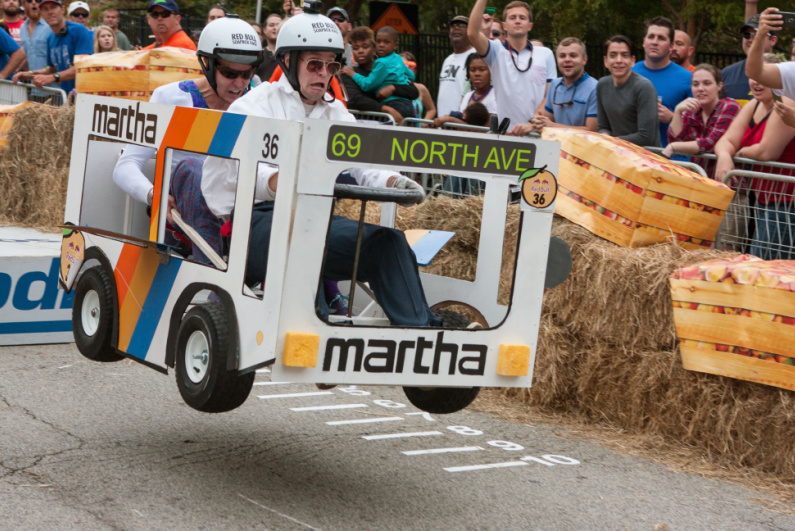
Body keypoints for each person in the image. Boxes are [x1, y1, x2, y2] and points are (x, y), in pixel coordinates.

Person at [201, 12, 438, 327]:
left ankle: (423, 340)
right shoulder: (251, 106)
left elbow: (365, 167)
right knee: (302, 232)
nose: (324, 73)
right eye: (314, 64)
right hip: (252, 224)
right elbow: (226, 178)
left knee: (389, 243)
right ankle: (312, 333)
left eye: (332, 65)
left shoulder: (336, 113)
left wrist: (396, 181)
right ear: (287, 60)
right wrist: (276, 181)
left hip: (312, 221)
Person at [113, 17, 263, 265]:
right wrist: (154, 195)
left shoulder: (258, 101)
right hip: (182, 217)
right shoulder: (170, 97)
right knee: (194, 168)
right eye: (229, 73)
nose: (239, 84)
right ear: (207, 64)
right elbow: (125, 165)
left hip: (240, 211)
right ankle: (210, 268)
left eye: (246, 74)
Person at [714, 53, 795, 260]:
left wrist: (739, 153)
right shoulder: (754, 104)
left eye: (762, 76)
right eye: (753, 76)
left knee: (763, 264)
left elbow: (766, 151)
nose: (756, 81)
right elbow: (726, 140)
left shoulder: (785, 103)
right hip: (761, 197)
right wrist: (724, 155)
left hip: (784, 203)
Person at [467, 0, 557, 134]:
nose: (517, 21)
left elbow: (549, 96)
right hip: (507, 135)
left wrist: (530, 124)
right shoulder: (495, 51)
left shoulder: (546, 54)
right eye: (512, 17)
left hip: (538, 135)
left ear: (530, 25)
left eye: (522, 18)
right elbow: (472, 34)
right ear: (505, 26)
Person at [663, 64, 740, 178]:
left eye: (707, 83)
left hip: (728, 183)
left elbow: (710, 144)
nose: (700, 88)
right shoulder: (691, 110)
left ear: (719, 86)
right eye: (695, 84)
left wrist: (673, 147)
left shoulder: (729, 106)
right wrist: (678, 111)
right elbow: (675, 138)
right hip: (700, 182)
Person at [632, 16, 692, 146]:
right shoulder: (629, 72)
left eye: (661, 38)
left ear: (671, 46)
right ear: (644, 41)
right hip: (632, 156)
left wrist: (672, 117)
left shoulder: (688, 78)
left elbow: (698, 128)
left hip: (670, 159)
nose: (655, 42)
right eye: (651, 36)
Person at [338, 26, 417, 123]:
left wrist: (393, 88)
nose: (360, 51)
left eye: (365, 47)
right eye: (356, 48)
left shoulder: (386, 66)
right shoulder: (348, 73)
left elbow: (414, 91)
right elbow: (355, 100)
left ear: (374, 49)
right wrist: (386, 109)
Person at [12, 0, 91, 94]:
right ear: (41, 13)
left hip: (85, 95)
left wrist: (53, 77)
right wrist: (30, 74)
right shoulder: (51, 38)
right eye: (45, 9)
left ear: (62, 10)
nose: (50, 12)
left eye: (53, 7)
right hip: (66, 97)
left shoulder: (78, 30)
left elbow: (83, 67)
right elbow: (52, 69)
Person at [597, 35, 660, 147]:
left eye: (624, 55)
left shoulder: (644, 87)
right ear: (606, 61)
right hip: (618, 153)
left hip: (647, 158)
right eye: (613, 55)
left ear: (632, 61)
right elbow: (603, 127)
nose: (619, 60)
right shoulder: (602, 85)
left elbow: (646, 137)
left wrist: (611, 142)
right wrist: (604, 137)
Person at [527, 37, 597, 133]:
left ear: (584, 59)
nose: (567, 59)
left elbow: (592, 132)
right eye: (562, 56)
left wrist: (553, 126)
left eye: (573, 55)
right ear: (557, 60)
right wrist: (538, 123)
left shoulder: (595, 88)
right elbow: (546, 120)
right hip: (555, 146)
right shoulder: (554, 85)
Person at [722, 14, 777, 106]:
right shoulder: (726, 74)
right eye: (746, 35)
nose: (751, 39)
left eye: (757, 34)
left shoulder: (784, 73)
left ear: (773, 40)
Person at [432, 52, 495, 128]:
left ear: (491, 72)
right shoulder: (468, 96)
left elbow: (485, 131)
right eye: (473, 70)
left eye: (482, 69)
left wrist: (449, 119)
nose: (477, 74)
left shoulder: (495, 97)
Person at [18, 0, 56, 98]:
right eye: (30, 1)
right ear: (23, 5)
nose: (34, 3)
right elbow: (30, 54)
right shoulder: (22, 28)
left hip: (54, 91)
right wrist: (17, 70)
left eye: (38, 0)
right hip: (35, 90)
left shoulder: (51, 26)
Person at [437, 15, 473, 118]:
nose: (456, 28)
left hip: (461, 123)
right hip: (443, 123)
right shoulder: (447, 60)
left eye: (462, 25)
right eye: (453, 25)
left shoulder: (475, 57)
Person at [400, 51, 436, 122]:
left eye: (411, 65)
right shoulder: (391, 87)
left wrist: (424, 122)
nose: (407, 68)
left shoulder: (420, 88)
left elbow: (432, 109)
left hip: (415, 130)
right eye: (403, 65)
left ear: (415, 70)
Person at [255, 12, 281, 81]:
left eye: (278, 25)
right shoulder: (257, 55)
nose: (275, 28)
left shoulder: (288, 55)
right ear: (264, 30)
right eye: (271, 25)